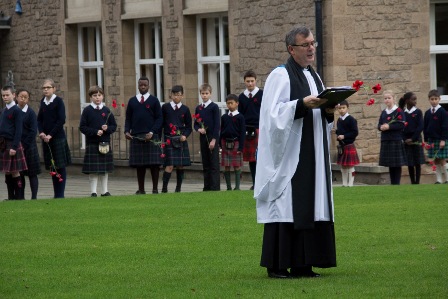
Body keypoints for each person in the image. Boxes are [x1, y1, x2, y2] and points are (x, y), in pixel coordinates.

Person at [254, 25, 336, 279]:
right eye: (306, 44)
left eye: (313, 43)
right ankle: (277, 264)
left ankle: (304, 263)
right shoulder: (280, 75)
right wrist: (300, 104)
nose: (312, 48)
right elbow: (272, 116)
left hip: (313, 151)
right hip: (290, 155)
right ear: (292, 49)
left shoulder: (314, 76)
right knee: (287, 204)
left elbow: (322, 114)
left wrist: (330, 109)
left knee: (312, 203)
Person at [124, 76, 163, 194]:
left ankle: (155, 189)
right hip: (136, 136)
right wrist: (126, 131)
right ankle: (141, 189)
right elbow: (128, 118)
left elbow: (159, 118)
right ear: (138, 85)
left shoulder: (154, 100)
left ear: (149, 86)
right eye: (141, 85)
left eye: (145, 85)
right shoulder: (132, 101)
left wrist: (152, 132)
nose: (143, 87)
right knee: (139, 165)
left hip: (151, 136)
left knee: (154, 165)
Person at [79, 85, 117, 197]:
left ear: (103, 96)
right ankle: (93, 192)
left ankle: (105, 191)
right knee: (93, 170)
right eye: (95, 95)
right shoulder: (87, 111)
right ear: (90, 97)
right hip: (92, 143)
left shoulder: (107, 110)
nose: (97, 98)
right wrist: (95, 132)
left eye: (99, 95)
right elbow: (82, 127)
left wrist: (107, 129)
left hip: (104, 143)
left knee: (104, 169)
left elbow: (114, 126)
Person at [37, 79, 71, 198]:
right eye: (44, 88)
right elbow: (39, 119)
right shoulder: (43, 102)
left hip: (57, 138)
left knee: (60, 166)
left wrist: (50, 134)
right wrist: (41, 132)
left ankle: (60, 194)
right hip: (46, 139)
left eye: (48, 87)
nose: (45, 89)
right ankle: (56, 193)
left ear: (54, 89)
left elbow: (61, 120)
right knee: (52, 166)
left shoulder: (58, 101)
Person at [161, 85, 192, 193]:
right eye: (175, 95)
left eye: (179, 95)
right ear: (171, 95)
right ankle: (164, 189)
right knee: (169, 165)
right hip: (169, 139)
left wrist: (185, 135)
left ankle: (178, 189)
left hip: (181, 140)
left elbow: (189, 127)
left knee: (180, 165)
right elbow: (161, 123)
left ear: (182, 96)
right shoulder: (165, 107)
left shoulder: (185, 109)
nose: (177, 97)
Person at [0, 86, 27, 200]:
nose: (5, 97)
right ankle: (11, 197)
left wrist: (15, 147)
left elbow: (19, 130)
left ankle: (19, 197)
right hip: (4, 144)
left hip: (12, 144)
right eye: (3, 95)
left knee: (15, 172)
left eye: (7, 95)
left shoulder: (17, 111)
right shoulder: (3, 111)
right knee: (7, 172)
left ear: (14, 95)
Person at [238, 71, 263, 190]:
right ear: (244, 82)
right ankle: (255, 183)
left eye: (252, 81)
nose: (250, 83)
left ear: (255, 80)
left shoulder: (262, 94)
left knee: (261, 158)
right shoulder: (241, 97)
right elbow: (240, 115)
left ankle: (262, 183)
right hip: (247, 130)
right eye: (248, 81)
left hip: (260, 129)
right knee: (252, 159)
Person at [193, 83, 220, 191]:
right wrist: (199, 129)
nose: (204, 95)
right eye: (202, 93)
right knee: (205, 162)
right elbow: (195, 123)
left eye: (206, 93)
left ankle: (215, 186)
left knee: (213, 162)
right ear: (200, 94)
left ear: (210, 94)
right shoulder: (198, 108)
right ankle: (207, 186)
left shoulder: (214, 107)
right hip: (203, 137)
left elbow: (217, 124)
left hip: (212, 137)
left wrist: (214, 139)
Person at [378, 90, 407, 185]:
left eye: (389, 98)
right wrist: (381, 127)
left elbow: (401, 125)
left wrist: (389, 126)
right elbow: (379, 124)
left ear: (394, 99)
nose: (387, 100)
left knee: (397, 164)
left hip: (395, 139)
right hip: (386, 140)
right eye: (385, 98)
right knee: (390, 164)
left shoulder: (399, 111)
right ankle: (392, 184)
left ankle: (396, 183)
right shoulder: (383, 112)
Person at [17, 89, 41, 199]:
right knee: (19, 174)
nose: (23, 98)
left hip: (29, 147)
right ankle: (20, 197)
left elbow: (33, 131)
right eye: (21, 96)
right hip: (17, 146)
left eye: (25, 97)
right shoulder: (13, 111)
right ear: (16, 97)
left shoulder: (31, 113)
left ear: (28, 99)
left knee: (32, 173)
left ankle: (34, 197)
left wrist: (24, 145)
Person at [220, 94, 246, 191]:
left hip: (236, 142)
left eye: (232, 103)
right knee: (226, 166)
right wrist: (220, 143)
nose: (230, 105)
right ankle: (228, 187)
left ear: (237, 104)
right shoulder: (224, 117)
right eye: (228, 103)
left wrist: (241, 147)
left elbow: (242, 133)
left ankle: (237, 187)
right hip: (225, 142)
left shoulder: (240, 117)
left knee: (236, 166)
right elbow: (221, 130)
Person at [398, 92, 425, 184]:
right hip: (406, 140)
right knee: (410, 163)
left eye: (415, 99)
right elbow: (400, 127)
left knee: (417, 162)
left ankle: (417, 182)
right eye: (413, 99)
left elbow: (420, 126)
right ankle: (412, 181)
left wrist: (413, 139)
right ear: (407, 101)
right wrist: (405, 139)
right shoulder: (403, 113)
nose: (415, 101)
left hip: (416, 139)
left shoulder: (418, 112)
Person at [423, 89, 448, 184]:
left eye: (436, 99)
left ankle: (447, 179)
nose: (434, 101)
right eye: (432, 99)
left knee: (442, 160)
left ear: (439, 99)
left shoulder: (443, 112)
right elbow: (425, 127)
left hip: (440, 139)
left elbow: (445, 127)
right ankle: (439, 180)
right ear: (429, 100)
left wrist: (443, 140)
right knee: (436, 161)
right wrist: (425, 141)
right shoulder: (427, 113)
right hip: (431, 140)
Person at [335, 100, 359, 187]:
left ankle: (351, 184)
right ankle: (344, 184)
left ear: (347, 108)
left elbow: (355, 132)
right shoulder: (339, 120)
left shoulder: (351, 119)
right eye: (340, 108)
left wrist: (344, 136)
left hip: (349, 145)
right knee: (343, 166)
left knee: (350, 166)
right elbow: (339, 131)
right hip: (342, 146)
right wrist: (337, 133)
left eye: (343, 108)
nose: (341, 110)